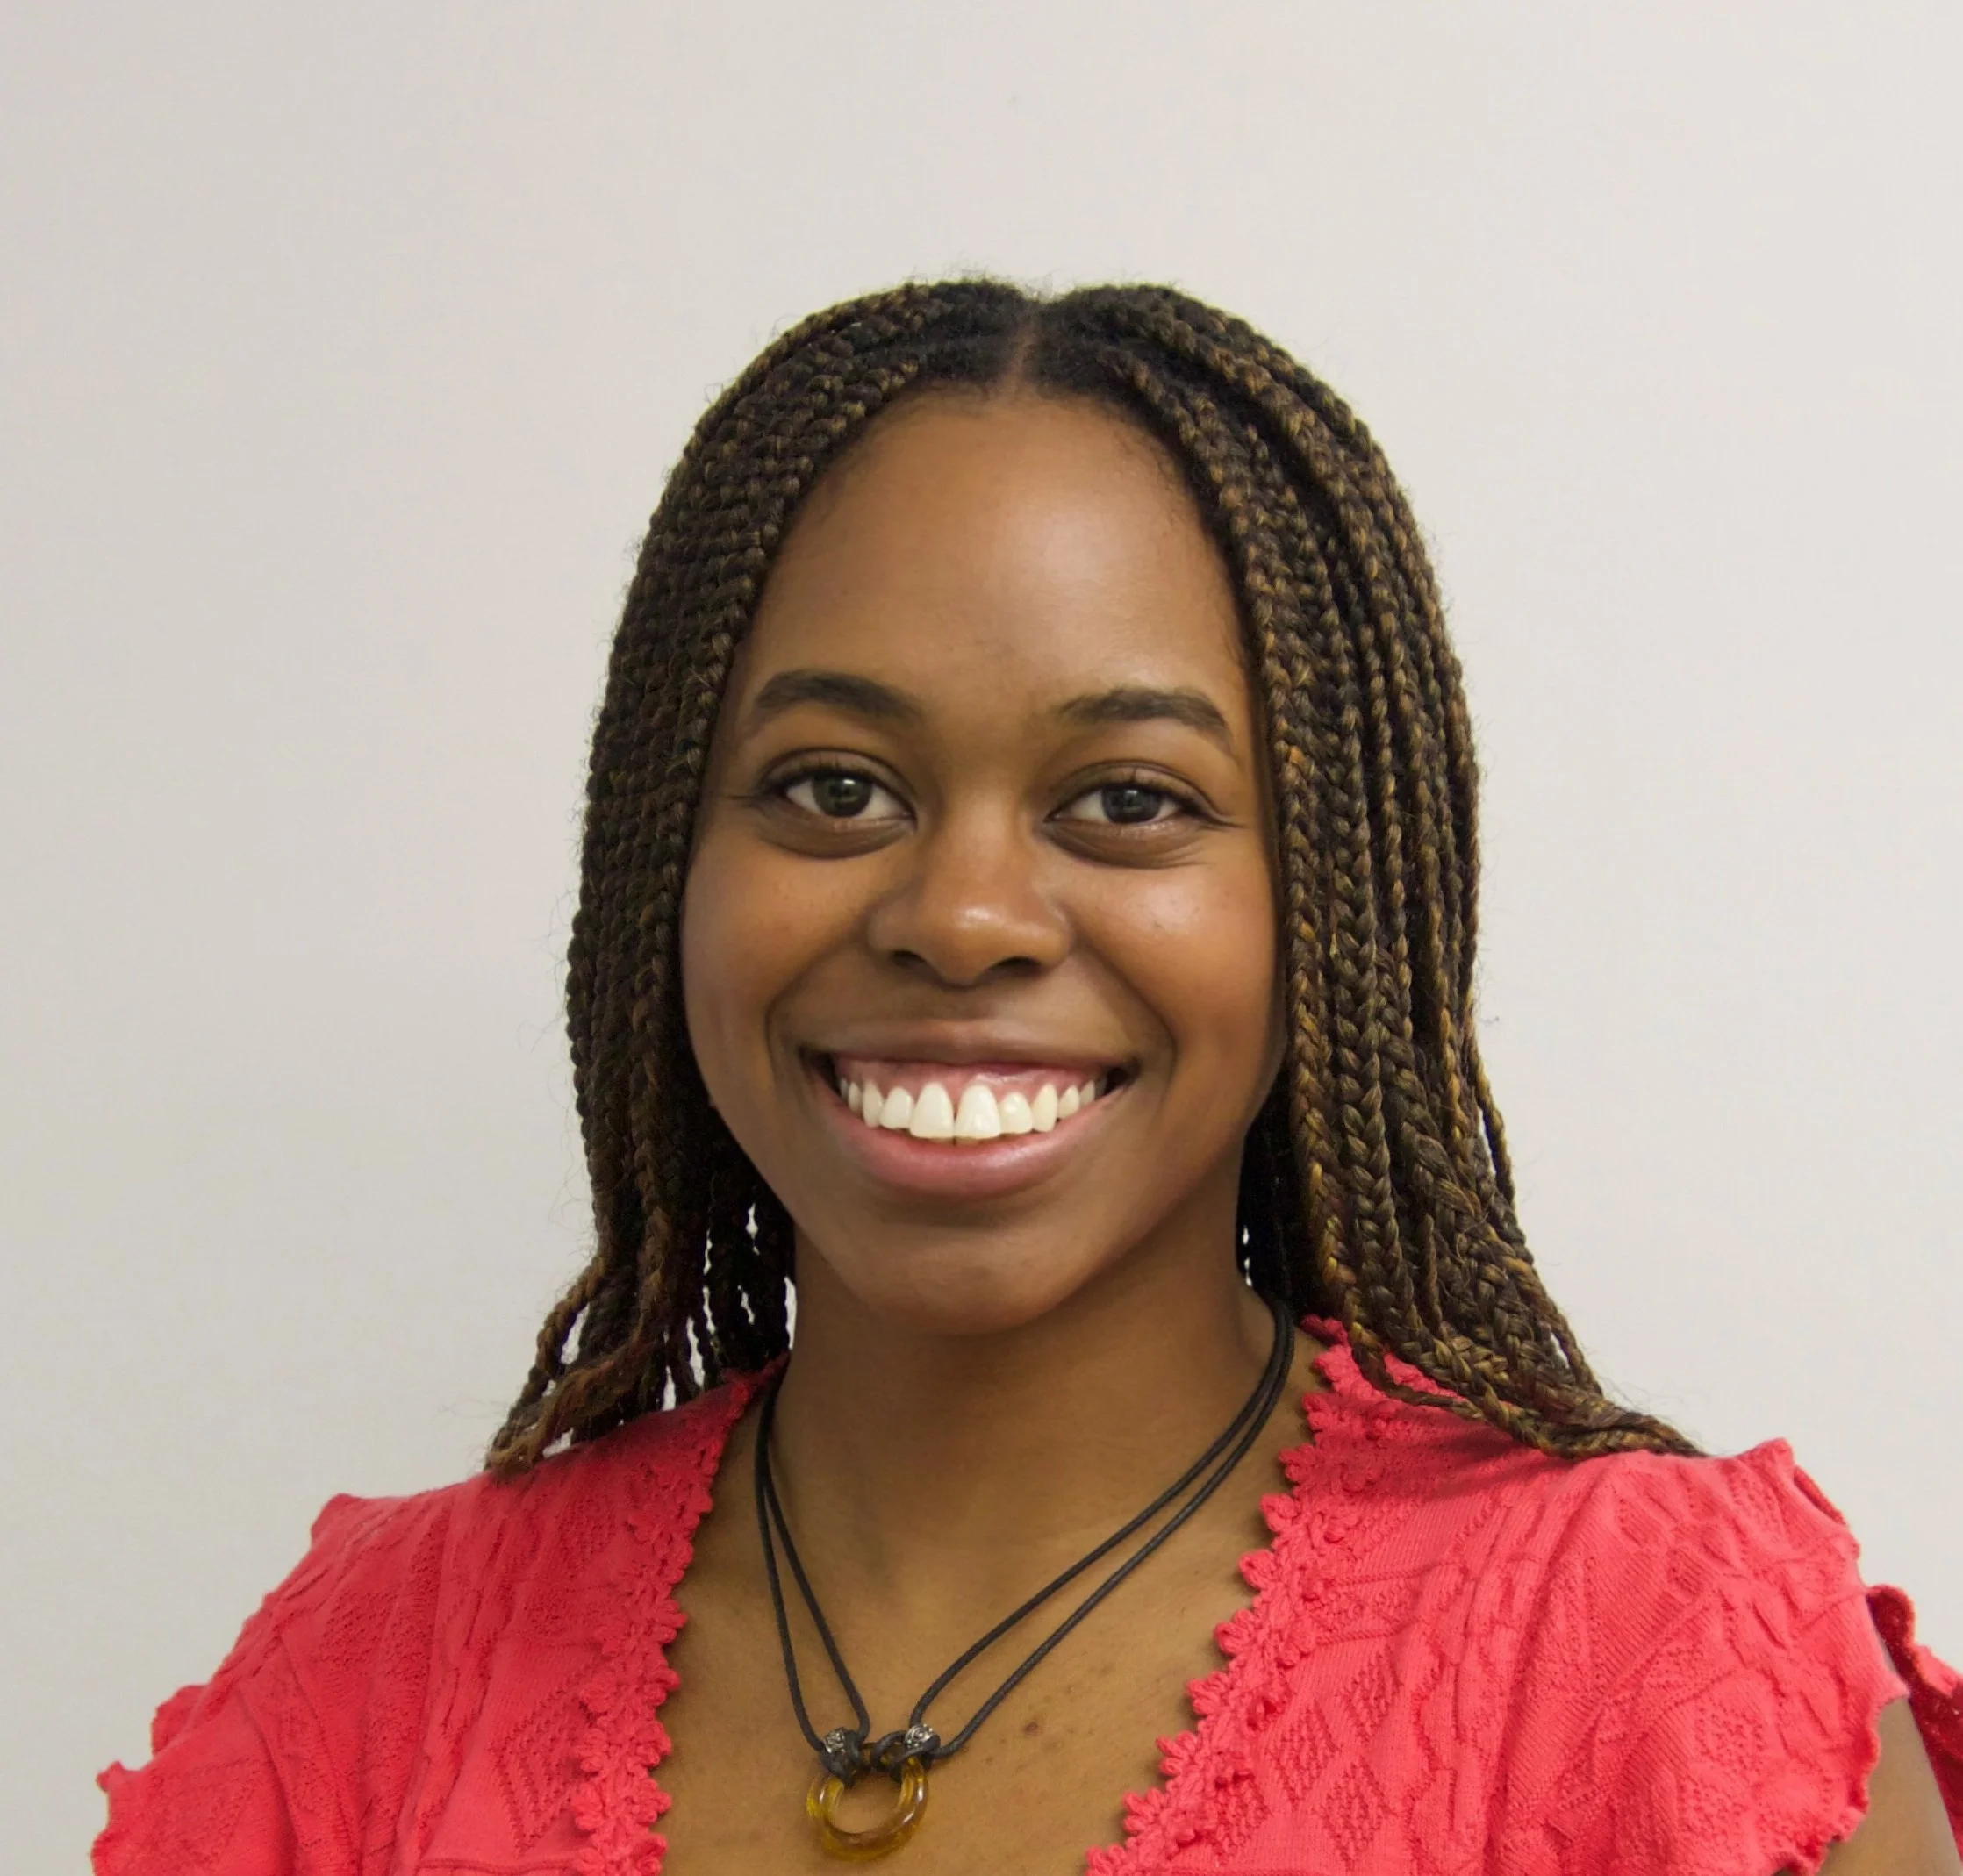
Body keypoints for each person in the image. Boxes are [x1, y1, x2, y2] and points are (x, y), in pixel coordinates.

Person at [94, 282, 1961, 1875]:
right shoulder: (362, 1691)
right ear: (664, 858)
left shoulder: (1657, 1664)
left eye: (1126, 802)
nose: (963, 912)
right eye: (834, 787)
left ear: (1332, 900)